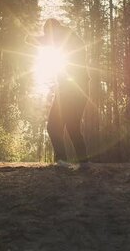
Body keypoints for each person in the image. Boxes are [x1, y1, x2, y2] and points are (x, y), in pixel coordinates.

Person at [28, 18, 90, 168]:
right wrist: (34, 39)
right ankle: (84, 162)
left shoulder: (63, 35)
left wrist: (32, 39)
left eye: (46, 31)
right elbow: (49, 40)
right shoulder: (69, 36)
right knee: (72, 126)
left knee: (54, 126)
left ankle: (63, 160)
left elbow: (48, 40)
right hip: (79, 89)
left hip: (70, 90)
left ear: (52, 29)